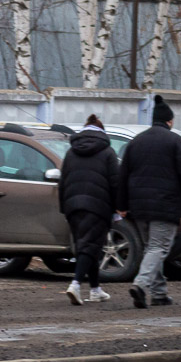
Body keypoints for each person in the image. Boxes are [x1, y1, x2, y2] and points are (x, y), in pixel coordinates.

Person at [119, 94, 181, 308]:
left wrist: (122, 204)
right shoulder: (176, 141)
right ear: (169, 121)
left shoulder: (136, 142)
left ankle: (159, 293)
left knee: (151, 248)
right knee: (158, 248)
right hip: (165, 205)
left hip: (139, 206)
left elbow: (123, 174)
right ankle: (141, 285)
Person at [57, 114, 120, 304]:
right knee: (90, 245)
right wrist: (118, 208)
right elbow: (115, 183)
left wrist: (64, 207)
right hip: (98, 206)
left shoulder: (70, 152)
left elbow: (63, 181)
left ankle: (95, 289)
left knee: (87, 245)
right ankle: (75, 284)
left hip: (73, 206)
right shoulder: (108, 152)